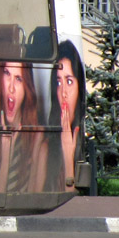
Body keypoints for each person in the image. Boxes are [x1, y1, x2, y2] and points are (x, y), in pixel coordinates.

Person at [0, 59, 42, 193]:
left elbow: (32, 200)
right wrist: (6, 155)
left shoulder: (36, 135)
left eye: (19, 79)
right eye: (7, 74)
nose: (11, 87)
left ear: (27, 88)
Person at [44, 40, 86, 191]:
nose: (63, 93)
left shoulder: (84, 136)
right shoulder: (45, 145)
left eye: (69, 81)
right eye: (58, 82)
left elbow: (75, 203)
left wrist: (69, 154)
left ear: (79, 85)